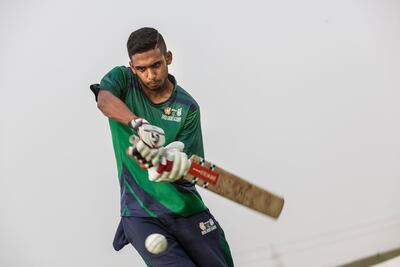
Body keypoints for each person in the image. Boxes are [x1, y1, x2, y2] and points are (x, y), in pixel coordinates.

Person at [90, 27, 234, 267]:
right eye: (141, 69)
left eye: (156, 65)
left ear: (168, 58)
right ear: (132, 66)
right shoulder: (123, 81)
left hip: (186, 209)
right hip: (141, 213)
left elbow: (194, 171)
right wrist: (137, 124)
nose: (150, 75)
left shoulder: (187, 107)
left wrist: (174, 166)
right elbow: (104, 100)